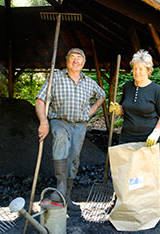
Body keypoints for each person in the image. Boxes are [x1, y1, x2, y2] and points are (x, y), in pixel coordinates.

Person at [35, 48, 106, 210]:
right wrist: (44, 122)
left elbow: (102, 95)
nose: (76, 61)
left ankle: (67, 195)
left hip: (80, 125)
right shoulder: (56, 78)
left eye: (79, 58)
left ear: (83, 62)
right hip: (60, 121)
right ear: (66, 60)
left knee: (74, 157)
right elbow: (40, 100)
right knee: (60, 139)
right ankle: (59, 188)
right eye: (72, 57)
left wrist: (92, 109)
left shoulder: (88, 82)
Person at [109, 49, 160, 150]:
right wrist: (118, 109)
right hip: (127, 136)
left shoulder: (156, 89)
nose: (137, 72)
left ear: (148, 70)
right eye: (135, 68)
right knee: (125, 166)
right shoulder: (127, 87)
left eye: (141, 69)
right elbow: (125, 109)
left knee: (147, 166)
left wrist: (155, 134)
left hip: (148, 138)